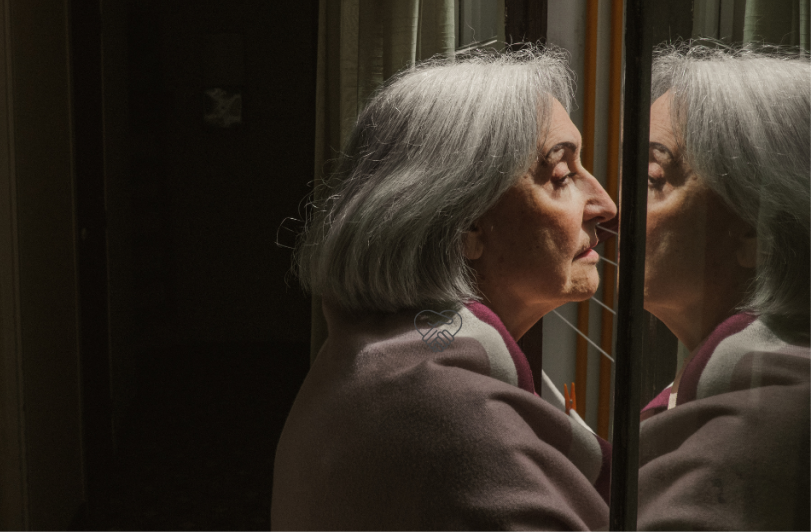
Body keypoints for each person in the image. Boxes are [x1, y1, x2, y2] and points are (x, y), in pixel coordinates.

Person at [271, 47, 617, 530]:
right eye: (561, 175)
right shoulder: (457, 419)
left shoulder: (371, 358)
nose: (604, 203)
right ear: (465, 225)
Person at [638, 43, 811, 530]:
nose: (611, 207)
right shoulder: (717, 385)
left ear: (757, 229)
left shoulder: (758, 424)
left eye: (653, 178)